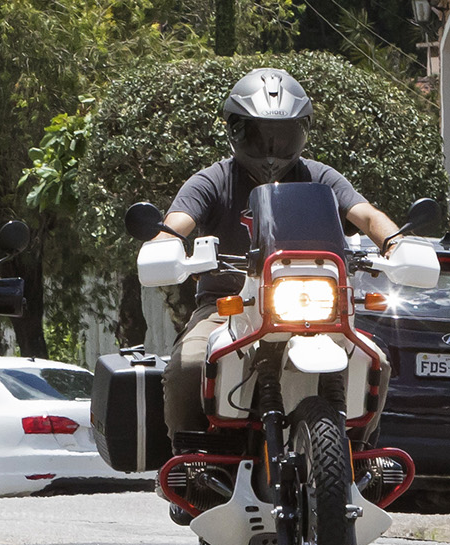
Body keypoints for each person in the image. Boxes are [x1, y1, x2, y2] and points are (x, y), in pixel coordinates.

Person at [158, 68, 403, 441]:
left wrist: (395, 242)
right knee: (189, 365)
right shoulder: (213, 181)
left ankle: (356, 453)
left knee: (375, 362)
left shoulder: (320, 178)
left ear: (302, 132)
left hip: (316, 305)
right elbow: (178, 221)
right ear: (234, 130)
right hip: (228, 306)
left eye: (283, 136)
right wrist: (165, 244)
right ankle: (192, 460)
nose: (271, 149)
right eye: (257, 135)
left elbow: (366, 215)